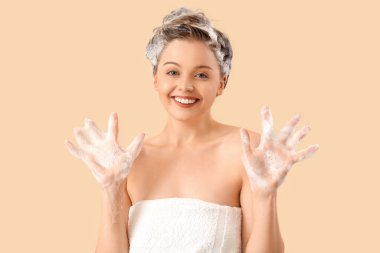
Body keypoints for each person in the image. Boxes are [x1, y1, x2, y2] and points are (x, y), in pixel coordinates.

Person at [64, 7, 319, 253]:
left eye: (201, 75)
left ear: (222, 83)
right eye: (172, 72)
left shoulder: (246, 150)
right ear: (156, 78)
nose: (184, 86)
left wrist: (266, 196)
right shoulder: (127, 162)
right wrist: (111, 189)